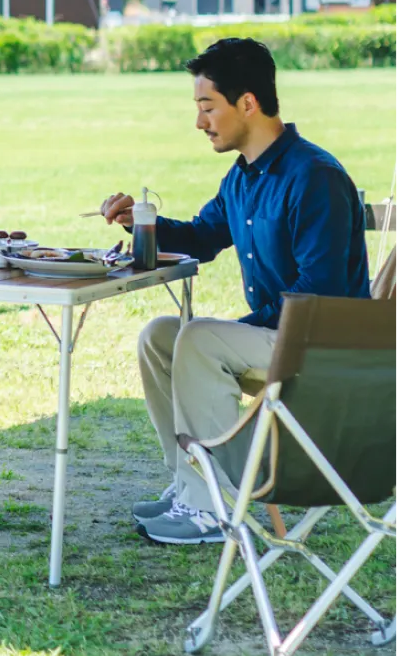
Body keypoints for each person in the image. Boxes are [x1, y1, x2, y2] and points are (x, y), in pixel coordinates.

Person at [101, 37, 369, 546]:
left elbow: (321, 292)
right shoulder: (242, 178)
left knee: (199, 339)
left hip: (324, 349)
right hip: (280, 336)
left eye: (208, 107)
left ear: (247, 102)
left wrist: (234, 329)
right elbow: (202, 237)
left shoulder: (315, 177)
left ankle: (212, 509)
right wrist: (140, 221)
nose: (199, 122)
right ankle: (192, 485)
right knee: (160, 336)